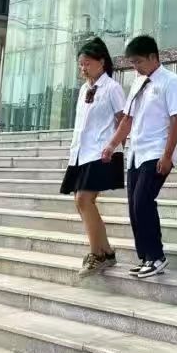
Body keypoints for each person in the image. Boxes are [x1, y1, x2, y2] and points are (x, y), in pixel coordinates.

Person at [101, 35, 177, 279]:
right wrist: (112, 145)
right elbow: (127, 119)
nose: (135, 67)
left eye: (138, 61)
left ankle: (157, 256)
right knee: (134, 207)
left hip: (157, 152)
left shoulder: (171, 81)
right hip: (136, 153)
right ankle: (147, 257)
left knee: (143, 202)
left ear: (152, 57)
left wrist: (167, 156)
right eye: (132, 62)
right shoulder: (138, 83)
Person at [60, 37, 126, 277]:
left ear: (101, 62)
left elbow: (124, 120)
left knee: (83, 200)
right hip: (82, 152)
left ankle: (98, 254)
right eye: (80, 64)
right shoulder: (84, 89)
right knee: (80, 201)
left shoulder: (112, 88)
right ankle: (105, 252)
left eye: (87, 63)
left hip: (102, 152)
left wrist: (115, 146)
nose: (83, 68)